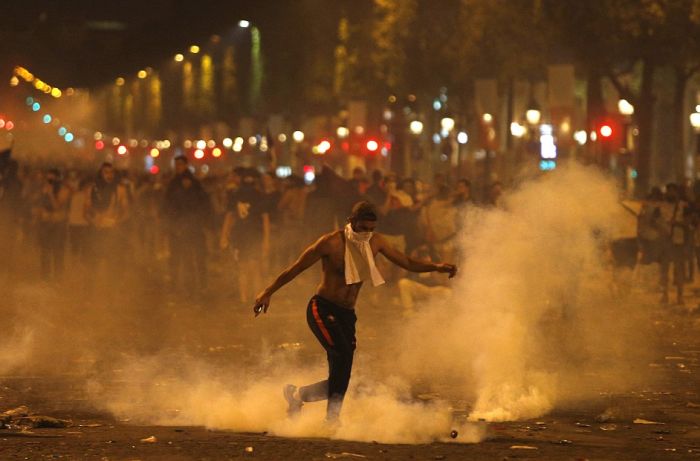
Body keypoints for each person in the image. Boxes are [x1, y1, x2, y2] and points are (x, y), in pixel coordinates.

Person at [253, 201, 457, 422]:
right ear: (351, 222)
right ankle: (332, 420)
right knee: (342, 355)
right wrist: (267, 292)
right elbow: (296, 268)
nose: (367, 233)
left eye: (372, 229)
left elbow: (406, 262)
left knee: (342, 375)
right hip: (322, 308)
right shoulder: (330, 242)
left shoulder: (376, 242)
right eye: (363, 228)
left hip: (347, 314)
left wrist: (435, 266)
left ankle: (297, 395)